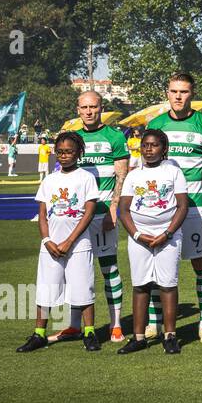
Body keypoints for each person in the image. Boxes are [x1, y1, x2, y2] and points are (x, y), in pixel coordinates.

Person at [147, 72, 202, 343]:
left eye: (184, 92)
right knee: (157, 264)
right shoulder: (155, 125)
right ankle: (155, 323)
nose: (178, 96)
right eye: (173, 91)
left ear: (193, 95)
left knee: (201, 262)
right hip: (161, 209)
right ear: (167, 93)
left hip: (196, 207)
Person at [52, 91, 130, 343]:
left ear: (101, 108)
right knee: (74, 273)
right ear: (77, 109)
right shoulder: (72, 139)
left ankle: (116, 324)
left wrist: (113, 208)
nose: (88, 112)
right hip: (76, 219)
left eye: (93, 107)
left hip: (102, 215)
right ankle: (74, 325)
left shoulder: (115, 137)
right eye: (84, 107)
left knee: (109, 268)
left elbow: (122, 175)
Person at [18, 132, 99, 353]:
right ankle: (39, 334)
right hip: (51, 246)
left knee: (83, 288)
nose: (64, 156)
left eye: (69, 152)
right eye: (60, 152)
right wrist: (47, 240)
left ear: (78, 153)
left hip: (78, 245)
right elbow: (43, 214)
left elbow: (89, 212)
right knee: (46, 288)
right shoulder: (50, 180)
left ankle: (89, 332)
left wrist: (70, 241)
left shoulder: (86, 178)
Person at [115, 129, 190, 355]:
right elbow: (124, 209)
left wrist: (167, 233)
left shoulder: (174, 172)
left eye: (154, 145)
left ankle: (170, 336)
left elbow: (182, 206)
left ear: (164, 148)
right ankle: (138, 337)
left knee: (167, 285)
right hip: (139, 237)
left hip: (168, 236)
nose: (148, 149)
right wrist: (137, 235)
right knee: (140, 285)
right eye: (145, 145)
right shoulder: (133, 175)